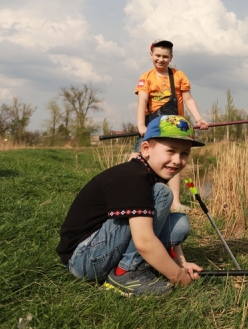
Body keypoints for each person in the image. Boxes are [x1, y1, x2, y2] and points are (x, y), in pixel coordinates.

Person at [57, 115, 204, 296]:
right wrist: (177, 277)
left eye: (184, 154)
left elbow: (162, 223)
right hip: (84, 259)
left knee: (179, 222)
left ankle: (127, 266)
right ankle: (126, 273)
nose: (177, 160)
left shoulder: (147, 174)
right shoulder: (134, 178)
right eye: (171, 151)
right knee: (162, 193)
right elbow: (144, 241)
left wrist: (180, 263)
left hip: (99, 250)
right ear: (146, 148)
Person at [131, 40, 209, 213]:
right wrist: (141, 125)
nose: (161, 59)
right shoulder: (146, 77)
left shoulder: (179, 75)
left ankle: (174, 202)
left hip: (175, 126)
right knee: (136, 157)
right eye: (157, 55)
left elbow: (188, 99)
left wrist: (199, 119)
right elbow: (142, 101)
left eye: (165, 56)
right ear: (151, 55)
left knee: (175, 159)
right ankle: (131, 194)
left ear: (171, 57)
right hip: (153, 124)